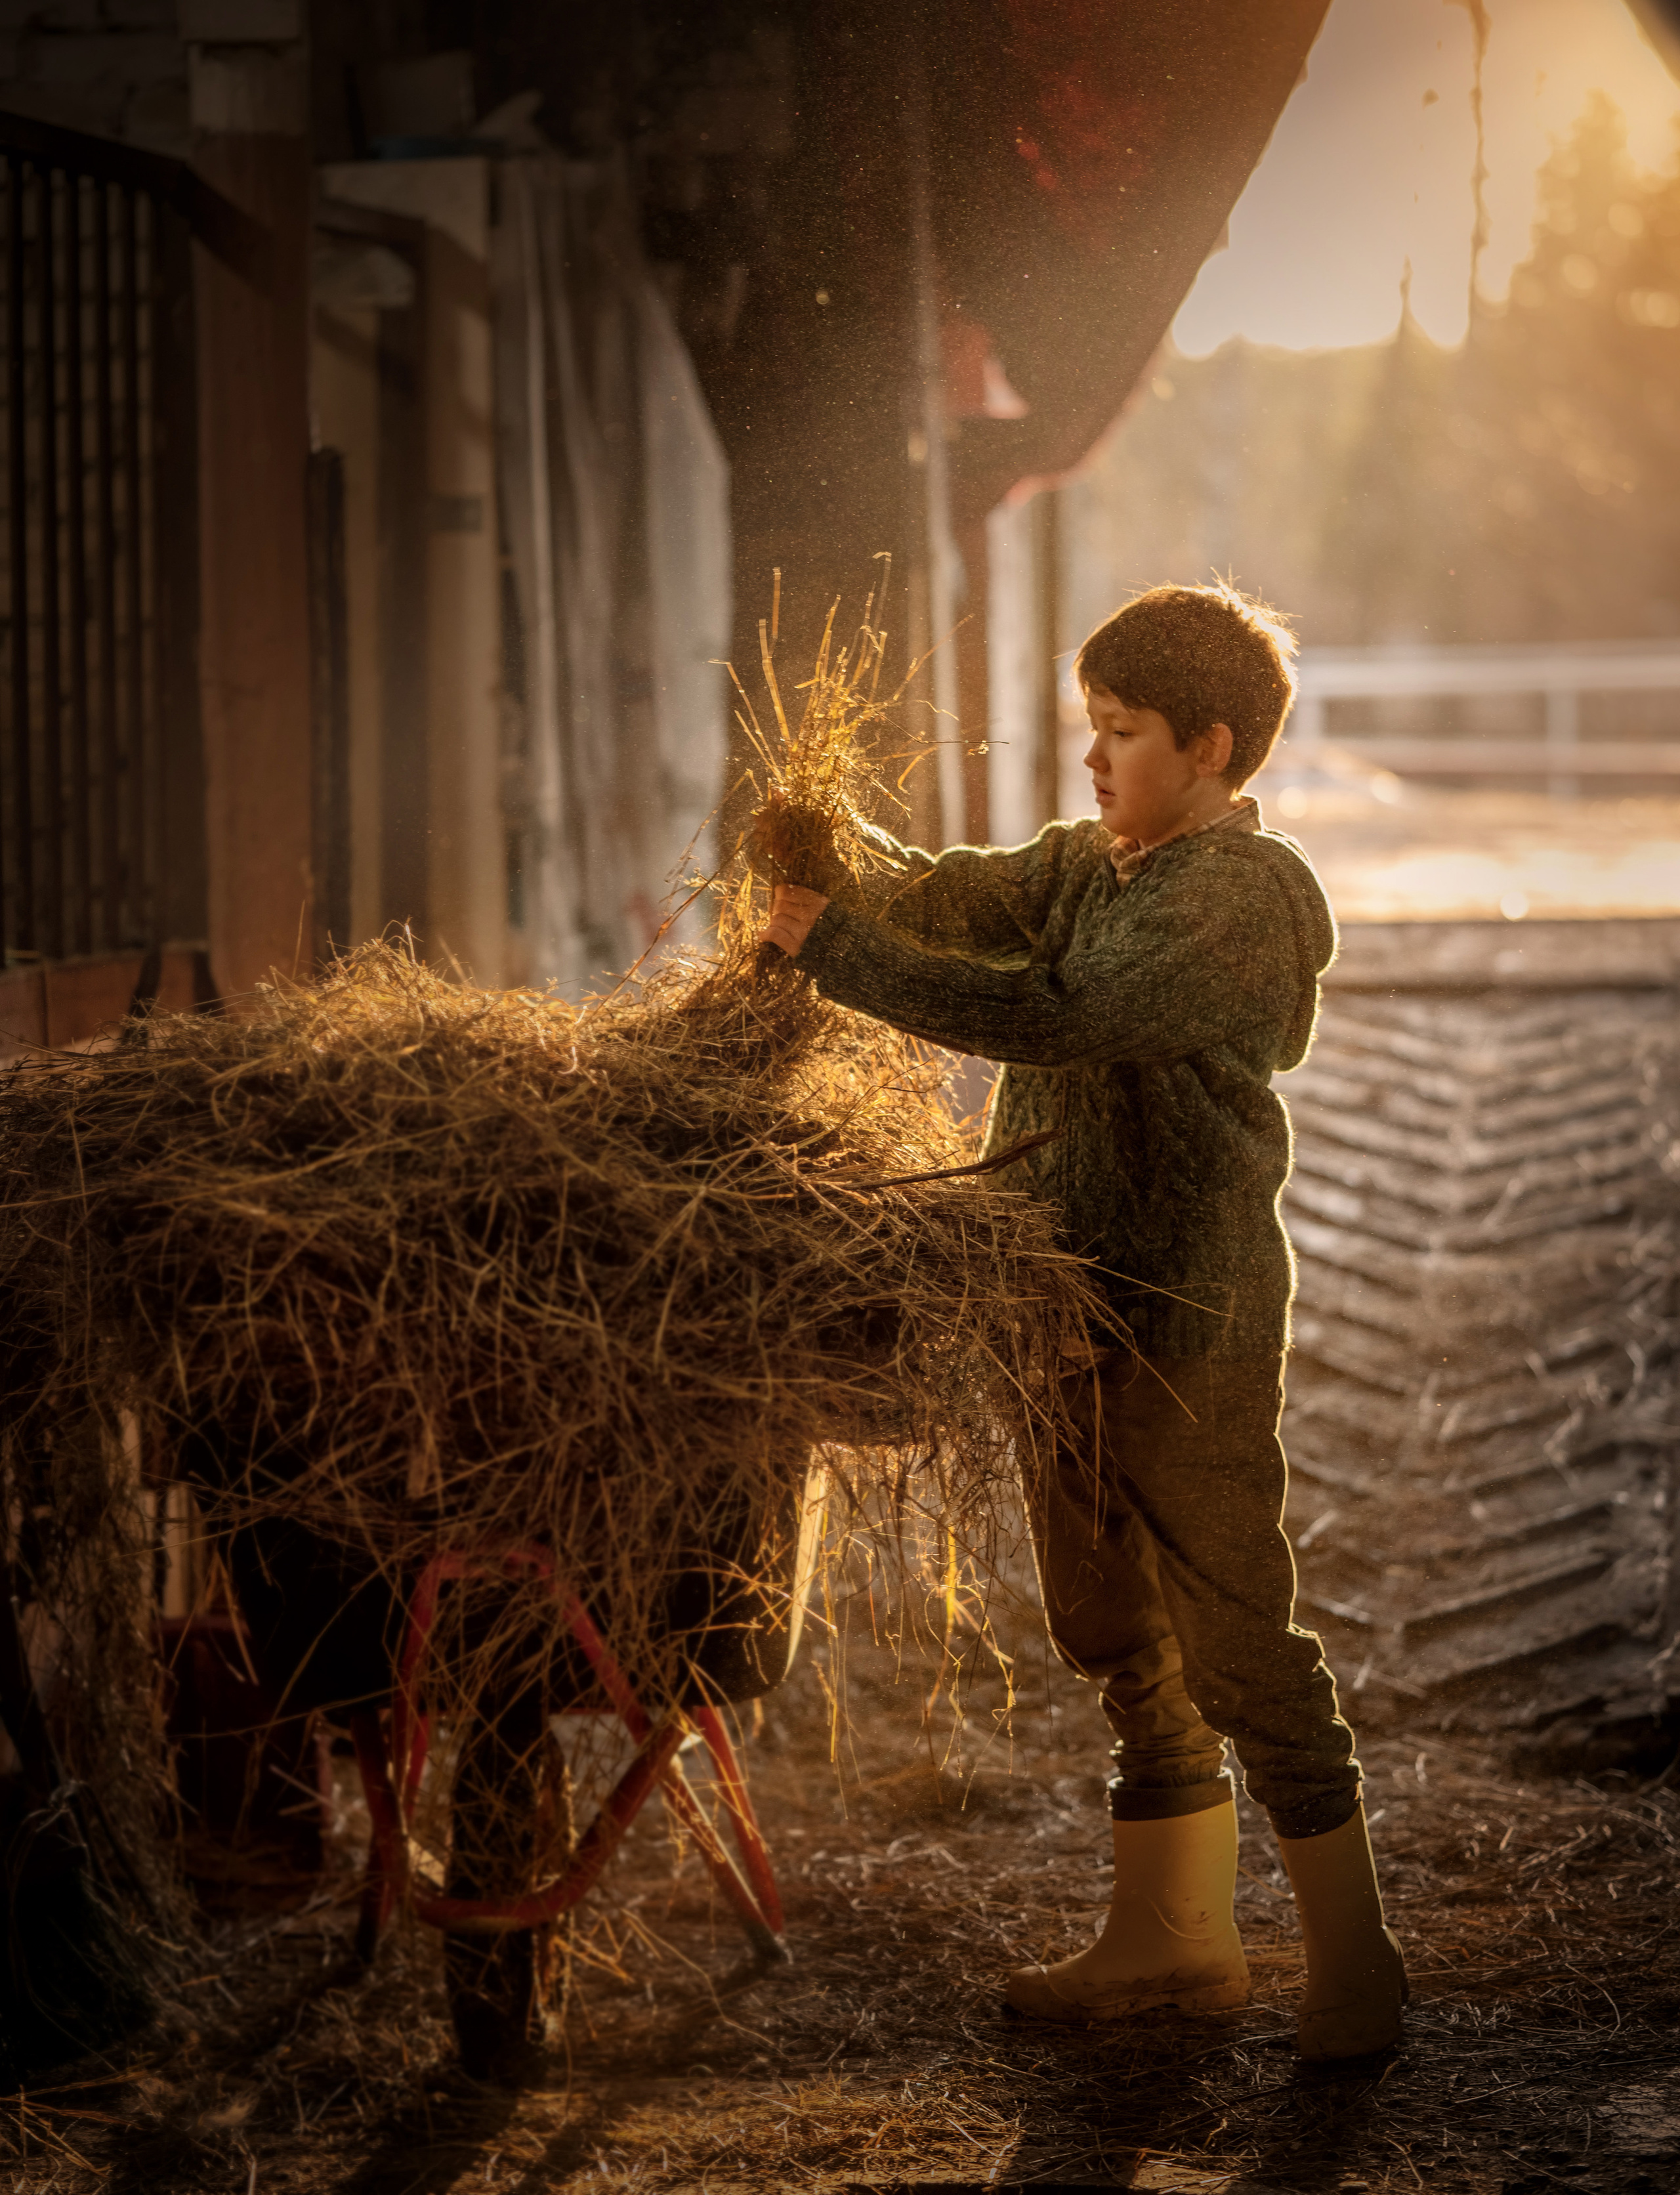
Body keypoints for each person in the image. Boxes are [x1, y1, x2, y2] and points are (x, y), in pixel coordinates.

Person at [757, 582, 1406, 2060]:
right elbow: (956, 894)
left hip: (1187, 1315)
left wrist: (833, 952)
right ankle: (1172, 1942)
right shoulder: (1092, 863)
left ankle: (1353, 1958)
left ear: (1212, 746)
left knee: (1239, 1638)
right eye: (1087, 729)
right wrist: (832, 857)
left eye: (1119, 733)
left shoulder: (1235, 902)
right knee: (1108, 1621)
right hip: (1060, 1306)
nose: (1094, 759)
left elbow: (1056, 1015)